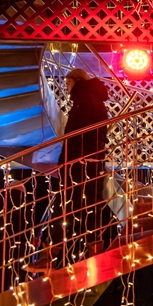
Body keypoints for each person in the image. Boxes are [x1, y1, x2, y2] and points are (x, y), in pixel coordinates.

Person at [32, 69, 111, 271]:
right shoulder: (96, 100)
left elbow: (76, 132)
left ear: (77, 81)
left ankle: (50, 254)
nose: (66, 87)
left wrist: (66, 159)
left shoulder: (83, 99)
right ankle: (94, 248)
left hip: (78, 160)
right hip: (92, 159)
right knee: (89, 203)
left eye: (68, 83)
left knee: (65, 205)